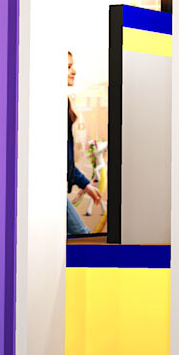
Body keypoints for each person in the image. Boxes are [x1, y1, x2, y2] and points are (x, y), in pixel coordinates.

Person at [64, 51, 103, 238]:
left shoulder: (62, 101)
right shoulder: (52, 104)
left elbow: (66, 160)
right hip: (48, 192)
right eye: (68, 67)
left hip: (53, 190)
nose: (74, 71)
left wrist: (85, 184)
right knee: (82, 235)